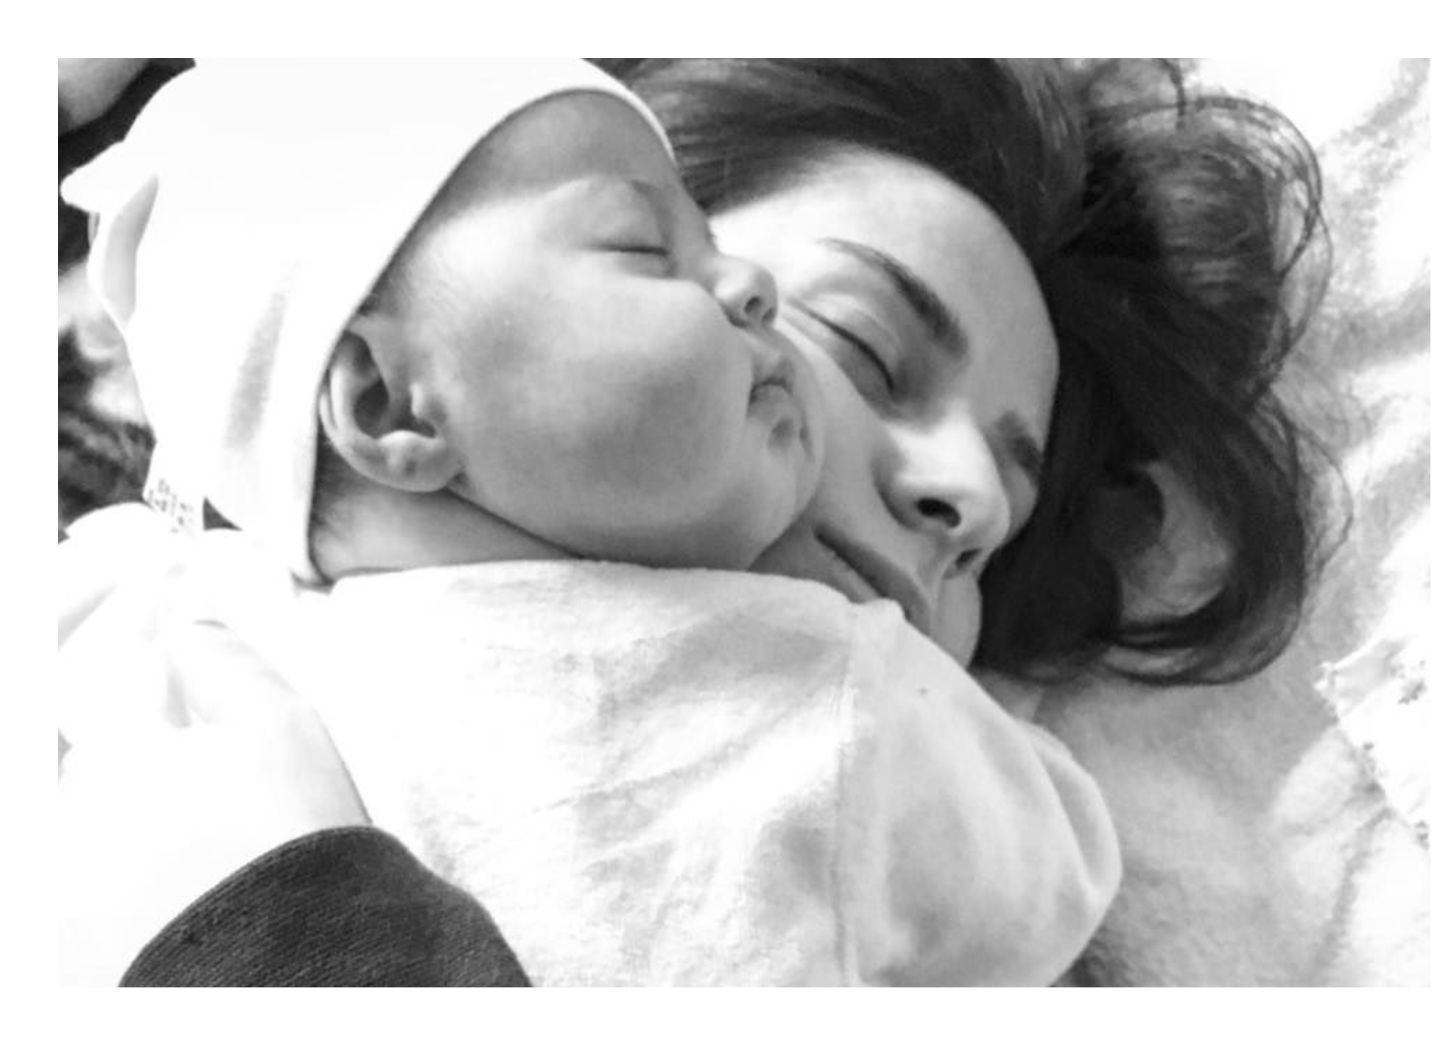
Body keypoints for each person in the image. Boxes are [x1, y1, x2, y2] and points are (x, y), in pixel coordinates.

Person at [58, 58, 1334, 986]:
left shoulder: (875, 727)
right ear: (390, 401)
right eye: (861, 346)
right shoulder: (191, 625)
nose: (970, 500)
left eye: (992, 545)